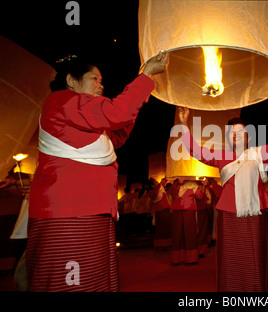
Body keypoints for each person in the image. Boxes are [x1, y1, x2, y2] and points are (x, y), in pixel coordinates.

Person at [26, 52, 168, 292]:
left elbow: (117, 135)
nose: (101, 84)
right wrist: (145, 77)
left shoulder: (83, 118)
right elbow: (116, 113)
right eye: (94, 78)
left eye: (101, 80)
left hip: (92, 211)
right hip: (68, 213)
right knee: (73, 284)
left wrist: (138, 101)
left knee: (96, 279)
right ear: (71, 81)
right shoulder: (61, 101)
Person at [177, 98, 268, 292]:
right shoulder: (221, 155)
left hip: (254, 213)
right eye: (232, 132)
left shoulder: (258, 152)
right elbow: (195, 150)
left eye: (240, 131)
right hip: (229, 214)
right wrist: (184, 125)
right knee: (232, 256)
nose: (236, 134)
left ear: (248, 136)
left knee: (254, 254)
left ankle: (255, 291)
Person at [170, 178, 202, 265]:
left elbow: (200, 196)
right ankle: (176, 259)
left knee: (190, 234)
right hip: (177, 211)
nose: (181, 178)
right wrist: (177, 184)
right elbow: (173, 196)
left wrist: (203, 185)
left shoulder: (194, 185)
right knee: (177, 234)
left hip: (189, 210)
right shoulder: (176, 185)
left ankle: (191, 258)